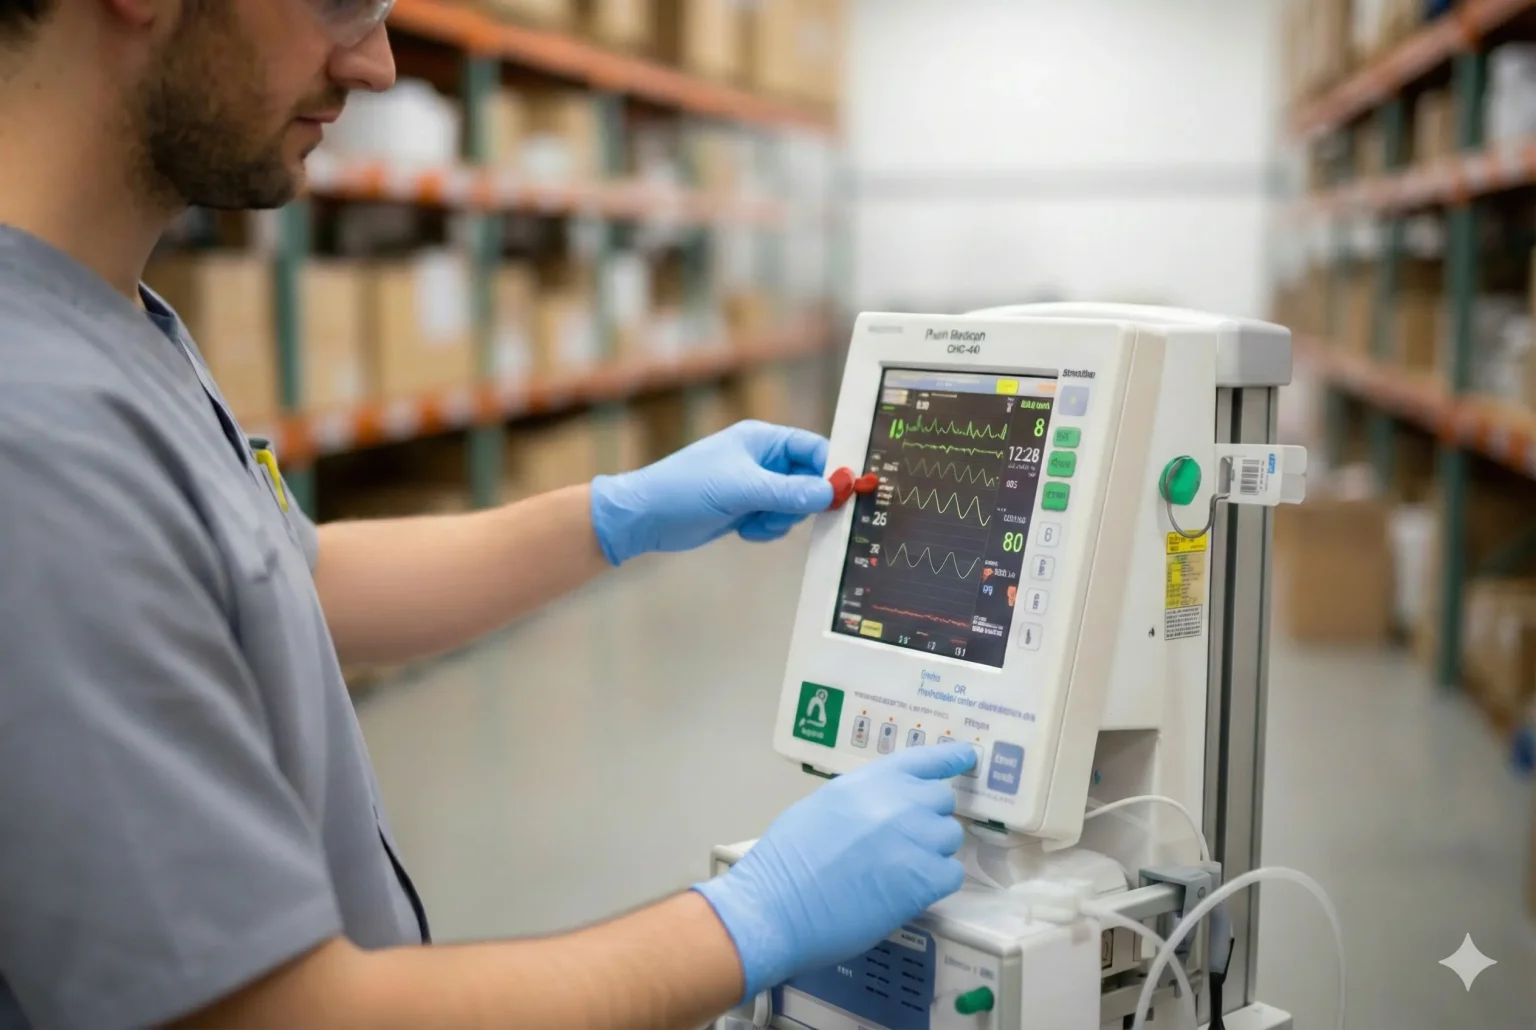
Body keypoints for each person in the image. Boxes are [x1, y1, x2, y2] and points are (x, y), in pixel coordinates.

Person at [0, 2, 978, 1028]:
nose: (376, 64)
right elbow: (274, 1016)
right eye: (339, 2)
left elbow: (299, 582)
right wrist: (746, 921)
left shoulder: (117, 320)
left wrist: (616, 514)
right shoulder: (36, 429)